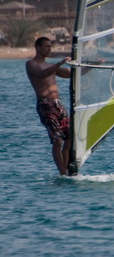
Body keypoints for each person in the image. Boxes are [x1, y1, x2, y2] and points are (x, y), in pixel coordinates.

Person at [26, 37, 72, 175]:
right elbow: (42, 74)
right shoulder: (31, 64)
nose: (49, 49)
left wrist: (89, 66)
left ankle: (66, 171)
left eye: (50, 46)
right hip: (45, 105)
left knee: (70, 137)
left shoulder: (50, 66)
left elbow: (71, 74)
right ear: (38, 48)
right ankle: (62, 173)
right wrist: (60, 63)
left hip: (58, 105)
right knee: (57, 140)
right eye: (46, 46)